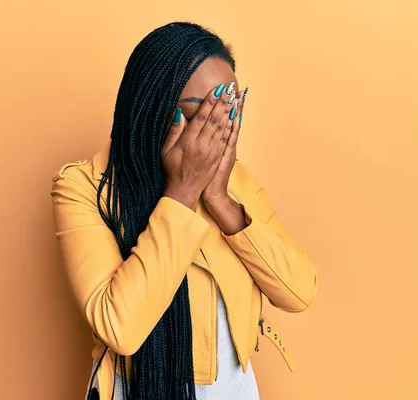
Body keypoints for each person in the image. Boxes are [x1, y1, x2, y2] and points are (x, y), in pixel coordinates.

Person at [51, 22, 318, 400]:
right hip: (136, 389)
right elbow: (120, 328)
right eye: (200, 118)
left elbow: (299, 291)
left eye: (226, 117)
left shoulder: (235, 181)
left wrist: (221, 201)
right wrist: (182, 192)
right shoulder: (83, 187)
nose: (216, 136)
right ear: (152, 109)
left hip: (233, 389)